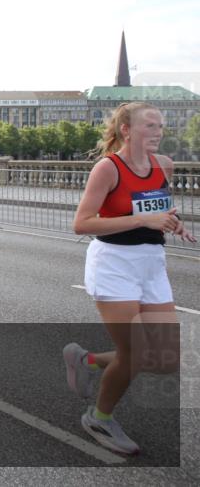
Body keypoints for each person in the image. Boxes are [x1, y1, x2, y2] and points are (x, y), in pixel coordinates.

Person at [66, 102, 194, 455]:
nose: (159, 132)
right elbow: (82, 224)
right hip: (114, 263)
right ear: (127, 130)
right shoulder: (108, 168)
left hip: (152, 264)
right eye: (150, 126)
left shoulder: (163, 165)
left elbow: (157, 208)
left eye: (161, 126)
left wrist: (173, 222)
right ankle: (99, 418)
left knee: (165, 358)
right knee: (135, 352)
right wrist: (142, 221)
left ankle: (86, 360)